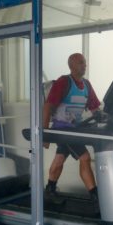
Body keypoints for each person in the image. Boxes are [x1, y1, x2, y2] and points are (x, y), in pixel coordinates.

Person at [43, 53, 100, 204]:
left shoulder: (86, 85)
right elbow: (47, 107)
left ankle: (49, 190)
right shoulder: (64, 82)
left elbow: (95, 108)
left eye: (85, 62)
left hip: (75, 129)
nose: (84, 65)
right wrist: (45, 134)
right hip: (63, 130)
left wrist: (105, 117)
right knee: (85, 157)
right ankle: (95, 198)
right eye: (81, 62)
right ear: (71, 66)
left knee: (60, 158)